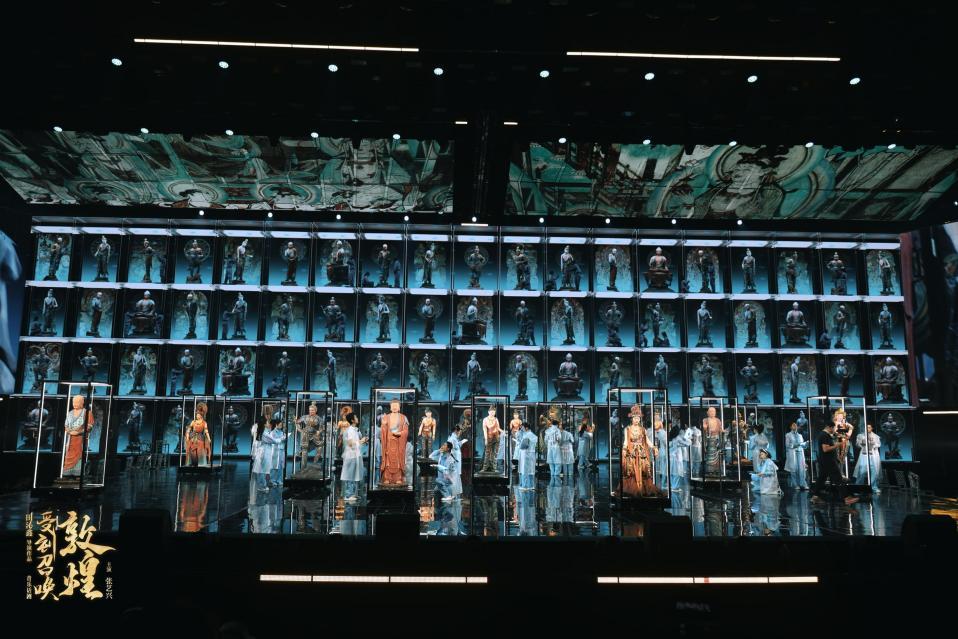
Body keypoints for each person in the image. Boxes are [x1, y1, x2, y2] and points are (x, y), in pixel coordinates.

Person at [811, 411, 859, 506]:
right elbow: (825, 449)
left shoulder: (825, 435)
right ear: (829, 427)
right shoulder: (824, 435)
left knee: (821, 480)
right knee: (838, 479)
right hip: (829, 461)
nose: (834, 430)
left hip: (825, 462)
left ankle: (815, 497)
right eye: (833, 428)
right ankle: (846, 498)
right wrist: (837, 445)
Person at [341, 414, 367, 502]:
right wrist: (361, 441)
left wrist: (362, 441)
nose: (357, 418)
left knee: (355, 474)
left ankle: (353, 494)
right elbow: (350, 443)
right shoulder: (350, 430)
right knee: (350, 474)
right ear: (352, 420)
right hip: (351, 455)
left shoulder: (355, 430)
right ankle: (348, 495)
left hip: (356, 454)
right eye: (356, 417)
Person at [854, 423, 882, 494]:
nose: (867, 429)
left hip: (873, 456)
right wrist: (862, 443)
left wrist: (872, 444)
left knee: (874, 472)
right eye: (866, 427)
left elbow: (878, 444)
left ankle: (874, 487)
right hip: (864, 455)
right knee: (861, 472)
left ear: (872, 428)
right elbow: (857, 444)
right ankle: (858, 488)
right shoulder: (860, 436)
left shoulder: (875, 436)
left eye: (869, 427)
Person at [784, 421, 809, 490]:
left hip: (800, 452)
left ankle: (803, 484)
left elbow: (803, 446)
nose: (795, 426)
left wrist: (806, 444)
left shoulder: (800, 435)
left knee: (802, 469)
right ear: (790, 427)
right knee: (794, 469)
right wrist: (796, 445)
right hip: (793, 453)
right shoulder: (788, 435)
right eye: (793, 425)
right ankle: (795, 485)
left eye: (796, 425)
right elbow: (787, 445)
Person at [251, 416, 272, 492]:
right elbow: (273, 440)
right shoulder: (264, 432)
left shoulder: (262, 430)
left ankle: (262, 484)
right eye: (267, 422)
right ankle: (262, 485)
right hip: (262, 451)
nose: (268, 423)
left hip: (261, 450)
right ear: (264, 423)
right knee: (261, 469)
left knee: (261, 469)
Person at [516, 422, 537, 490]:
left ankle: (525, 486)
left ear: (526, 428)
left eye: (522, 427)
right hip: (531, 454)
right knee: (531, 470)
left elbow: (522, 445)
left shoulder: (527, 435)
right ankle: (531, 485)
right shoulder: (532, 435)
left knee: (524, 469)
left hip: (526, 454)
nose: (521, 429)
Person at [267, 418, 287, 487]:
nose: (281, 426)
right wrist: (281, 439)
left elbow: (283, 440)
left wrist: (285, 438)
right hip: (275, 450)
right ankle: (272, 480)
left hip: (281, 450)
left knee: (281, 466)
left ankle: (279, 480)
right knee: (274, 466)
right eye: (280, 425)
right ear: (276, 425)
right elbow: (273, 440)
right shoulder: (273, 432)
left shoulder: (282, 432)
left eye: (282, 425)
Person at [654, 417, 669, 491]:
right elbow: (666, 444)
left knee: (658, 469)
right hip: (662, 452)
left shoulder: (656, 433)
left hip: (658, 452)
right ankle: (662, 484)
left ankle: (658, 484)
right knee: (663, 469)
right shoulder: (663, 433)